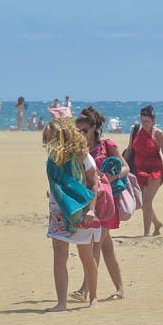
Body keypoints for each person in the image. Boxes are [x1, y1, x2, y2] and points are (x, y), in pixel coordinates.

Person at [43, 118, 101, 311]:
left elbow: (95, 184)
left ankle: (93, 298)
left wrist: (92, 209)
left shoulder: (83, 157)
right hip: (58, 211)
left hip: (81, 210)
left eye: (51, 137)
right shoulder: (51, 159)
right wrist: (52, 193)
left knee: (86, 256)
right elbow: (57, 184)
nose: (49, 141)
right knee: (59, 255)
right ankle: (61, 302)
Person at [73, 107, 128, 301]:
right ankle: (120, 289)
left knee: (95, 242)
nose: (81, 135)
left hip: (108, 203)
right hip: (89, 203)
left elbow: (126, 168)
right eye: (78, 132)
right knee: (106, 247)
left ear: (94, 128)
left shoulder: (107, 146)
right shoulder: (80, 150)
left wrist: (109, 177)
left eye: (84, 131)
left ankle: (85, 288)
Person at [126, 105, 163, 236]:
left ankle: (146, 233)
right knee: (142, 202)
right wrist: (122, 166)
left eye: (147, 121)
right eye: (142, 121)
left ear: (153, 120)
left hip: (154, 171)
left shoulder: (158, 134)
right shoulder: (135, 130)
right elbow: (130, 150)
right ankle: (157, 224)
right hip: (139, 170)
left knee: (146, 201)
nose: (144, 124)